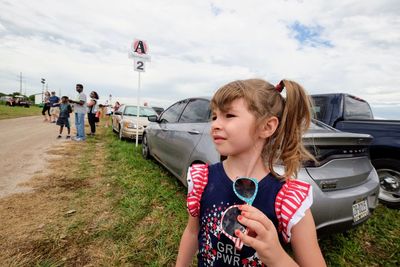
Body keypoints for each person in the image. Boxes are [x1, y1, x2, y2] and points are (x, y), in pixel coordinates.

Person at [176, 79, 326, 267]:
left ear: (267, 127)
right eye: (214, 116)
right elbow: (192, 232)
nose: (215, 124)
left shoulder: (287, 199)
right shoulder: (203, 179)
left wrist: (278, 257)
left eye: (229, 115)